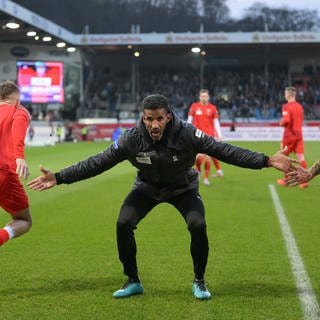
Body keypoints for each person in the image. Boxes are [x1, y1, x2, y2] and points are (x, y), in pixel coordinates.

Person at [27, 94, 298, 300]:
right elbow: (98, 162)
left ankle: (199, 281)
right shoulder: (132, 139)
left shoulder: (188, 134)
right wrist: (60, 177)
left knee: (198, 225)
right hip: (146, 188)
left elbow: (224, 150)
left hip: (183, 188)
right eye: (148, 118)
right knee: (123, 223)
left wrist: (266, 160)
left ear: (168, 116)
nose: (154, 124)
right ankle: (132, 281)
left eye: (159, 118)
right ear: (143, 117)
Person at [0, 80, 32, 247]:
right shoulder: (18, 111)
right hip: (3, 172)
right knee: (24, 220)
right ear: (17, 98)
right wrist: (19, 156)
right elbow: (18, 130)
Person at [188, 89, 223, 185]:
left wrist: (219, 135)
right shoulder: (194, 107)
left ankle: (206, 179)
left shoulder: (212, 108)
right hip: (197, 136)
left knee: (208, 157)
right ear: (199, 97)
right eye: (202, 96)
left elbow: (216, 122)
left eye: (205, 96)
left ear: (208, 97)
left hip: (209, 136)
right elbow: (189, 121)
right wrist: (186, 133)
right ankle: (198, 172)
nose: (204, 98)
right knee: (199, 158)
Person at [277, 86, 308, 188]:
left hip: (289, 135)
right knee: (301, 158)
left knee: (284, 158)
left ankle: (286, 180)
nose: (284, 95)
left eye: (285, 93)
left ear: (289, 94)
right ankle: (305, 181)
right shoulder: (300, 107)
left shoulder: (286, 107)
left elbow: (287, 120)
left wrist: (281, 122)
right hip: (299, 135)